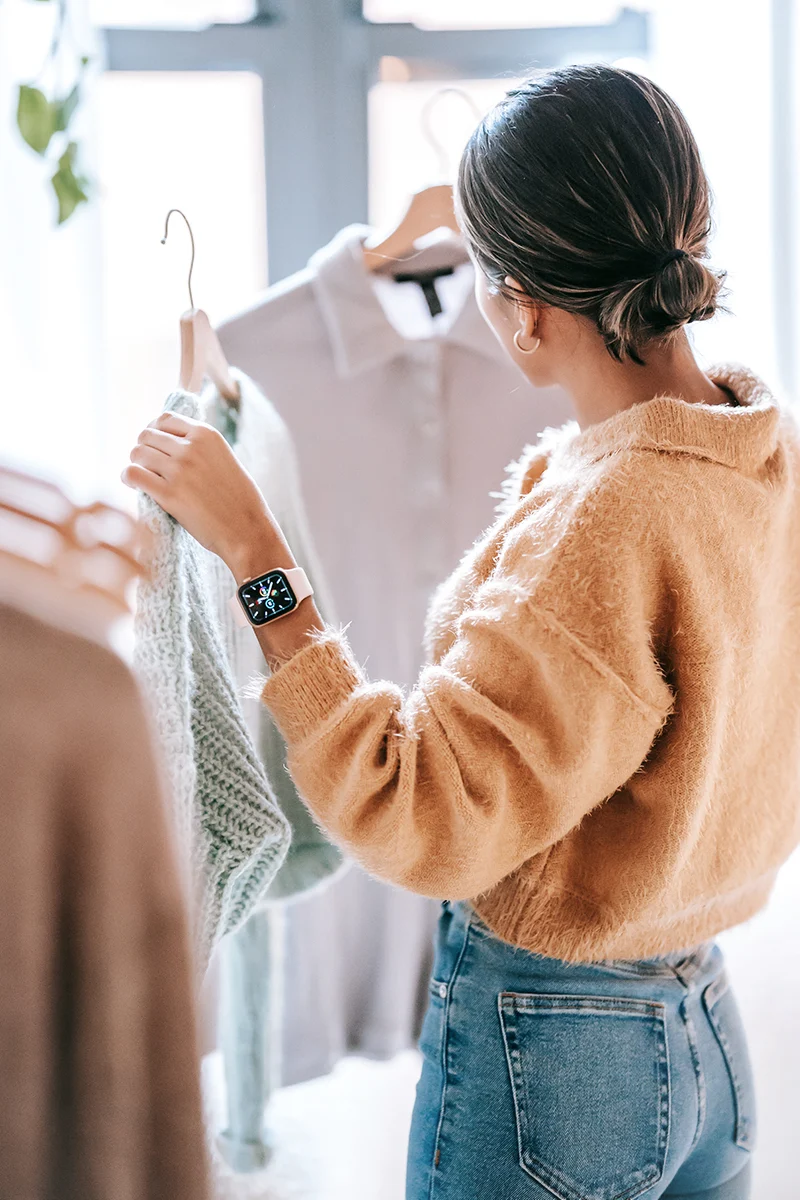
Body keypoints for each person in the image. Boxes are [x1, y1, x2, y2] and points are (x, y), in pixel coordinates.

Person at [123, 65, 800, 1200]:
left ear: (520, 304)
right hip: (706, 1041)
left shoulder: (605, 519)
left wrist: (258, 556)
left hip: (560, 1056)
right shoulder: (759, 454)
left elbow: (418, 816)